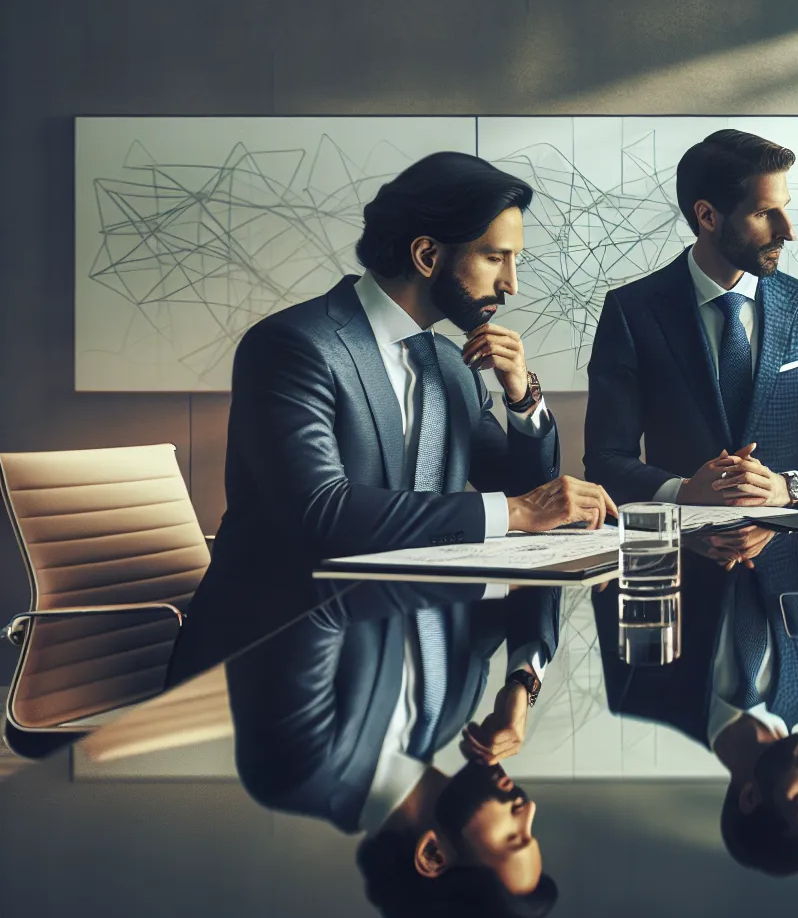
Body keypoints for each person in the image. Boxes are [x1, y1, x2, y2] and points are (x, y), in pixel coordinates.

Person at [189, 151, 617, 628]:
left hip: (422, 648)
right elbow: (320, 512)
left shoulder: (456, 368)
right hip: (282, 652)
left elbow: (528, 493)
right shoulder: (293, 346)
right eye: (496, 257)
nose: (511, 284)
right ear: (427, 255)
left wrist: (521, 397)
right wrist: (517, 512)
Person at [226, 580, 561, 918]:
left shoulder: (298, 771)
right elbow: (538, 571)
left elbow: (310, 584)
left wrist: (469, 532)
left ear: (433, 855)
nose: (528, 808)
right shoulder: (454, 710)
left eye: (514, 837)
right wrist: (521, 681)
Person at [584, 130, 798, 509]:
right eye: (765, 213)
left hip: (785, 560)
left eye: (785, 208)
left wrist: (789, 488)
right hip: (682, 559)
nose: (788, 231)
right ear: (707, 216)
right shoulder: (632, 311)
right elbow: (605, 459)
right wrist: (682, 491)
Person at [595, 530, 798, 876]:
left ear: (750, 797)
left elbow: (639, 533)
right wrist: (790, 496)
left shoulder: (641, 686)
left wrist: (699, 536)